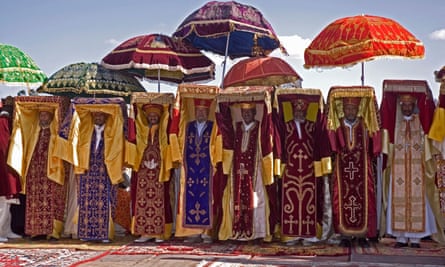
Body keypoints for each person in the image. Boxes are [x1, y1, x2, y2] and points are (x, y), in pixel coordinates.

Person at [55, 97, 127, 243]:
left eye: (101, 115)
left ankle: (104, 234)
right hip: (88, 172)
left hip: (105, 171)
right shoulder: (85, 131)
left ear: (105, 117)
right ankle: (86, 232)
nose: (98, 118)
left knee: (105, 202)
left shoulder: (112, 132)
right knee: (85, 202)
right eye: (96, 116)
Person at [382, 89, 445, 248]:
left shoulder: (421, 123)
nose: (407, 108)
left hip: (417, 168)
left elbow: (428, 143)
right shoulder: (396, 124)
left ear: (414, 105)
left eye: (410, 105)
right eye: (404, 105)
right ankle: (401, 238)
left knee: (419, 200)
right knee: (398, 200)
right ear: (401, 105)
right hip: (399, 170)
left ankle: (416, 238)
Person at [216, 88, 276, 243]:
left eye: (249, 113)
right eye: (244, 113)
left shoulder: (259, 128)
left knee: (257, 199)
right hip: (237, 172)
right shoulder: (236, 127)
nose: (246, 115)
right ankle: (237, 229)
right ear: (241, 113)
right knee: (235, 200)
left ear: (254, 113)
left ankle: (257, 232)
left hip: (254, 171)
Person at [274, 89, 332, 245]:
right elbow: (280, 145)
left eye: (302, 110)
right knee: (289, 201)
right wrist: (279, 166)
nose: (299, 113)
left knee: (309, 202)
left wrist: (323, 167)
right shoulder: (286, 126)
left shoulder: (312, 126)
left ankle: (308, 235)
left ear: (306, 111)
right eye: (296, 110)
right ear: (292, 111)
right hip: (290, 170)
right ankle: (290, 235)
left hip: (309, 170)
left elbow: (321, 144)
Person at [326, 86, 381, 248]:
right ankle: (344, 234)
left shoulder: (365, 125)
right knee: (341, 200)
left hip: (362, 170)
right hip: (342, 170)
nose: (350, 111)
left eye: (353, 108)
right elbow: (332, 145)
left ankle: (363, 234)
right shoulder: (336, 126)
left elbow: (374, 145)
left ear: (358, 109)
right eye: (347, 108)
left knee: (365, 199)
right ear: (343, 109)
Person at [173, 94, 224, 243]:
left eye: (203, 111)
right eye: (198, 111)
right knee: (189, 196)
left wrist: (215, 162)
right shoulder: (188, 126)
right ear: (195, 112)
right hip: (190, 168)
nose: (200, 114)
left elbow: (216, 145)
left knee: (207, 198)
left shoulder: (212, 127)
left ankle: (206, 232)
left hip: (206, 168)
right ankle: (191, 232)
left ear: (207, 112)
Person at [127, 98, 175, 243]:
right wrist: (144, 164)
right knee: (143, 201)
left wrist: (158, 163)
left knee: (160, 200)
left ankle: (159, 233)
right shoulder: (142, 131)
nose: (152, 118)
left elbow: (166, 150)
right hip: (143, 172)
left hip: (158, 171)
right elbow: (139, 149)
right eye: (150, 116)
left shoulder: (163, 131)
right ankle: (144, 232)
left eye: (155, 116)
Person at [0, 108, 22, 242]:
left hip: (8, 170)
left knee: (8, 204)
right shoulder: (2, 125)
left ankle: (6, 230)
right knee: (2, 204)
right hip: (2, 172)